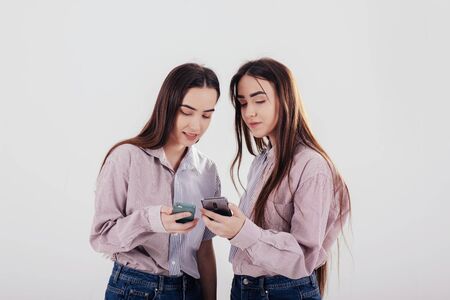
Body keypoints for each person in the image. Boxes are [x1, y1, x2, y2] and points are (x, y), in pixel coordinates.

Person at [201, 58, 351, 300]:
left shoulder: (312, 166)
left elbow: (304, 255)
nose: (249, 112)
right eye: (243, 103)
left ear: (286, 99)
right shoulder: (262, 161)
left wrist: (242, 231)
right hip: (244, 288)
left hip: (282, 291)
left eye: (259, 100)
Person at [90, 63, 221, 300]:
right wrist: (151, 220)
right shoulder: (126, 157)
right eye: (187, 112)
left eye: (206, 115)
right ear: (167, 105)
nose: (196, 125)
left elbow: (204, 248)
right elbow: (102, 238)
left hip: (189, 290)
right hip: (134, 288)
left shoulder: (208, 170)